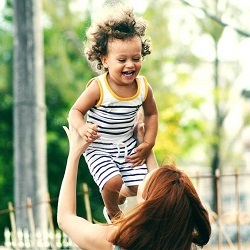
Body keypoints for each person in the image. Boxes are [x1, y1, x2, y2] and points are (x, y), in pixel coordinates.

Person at [57, 123, 211, 250]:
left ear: (147, 204)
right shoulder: (186, 243)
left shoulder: (117, 241)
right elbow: (162, 194)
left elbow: (65, 218)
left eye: (143, 182)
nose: (139, 180)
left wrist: (74, 153)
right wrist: (143, 144)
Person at [68, 6, 158, 221]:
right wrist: (82, 127)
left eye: (136, 58)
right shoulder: (99, 88)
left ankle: (120, 195)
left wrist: (148, 144)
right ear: (105, 60)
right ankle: (114, 214)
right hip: (99, 146)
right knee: (112, 182)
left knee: (142, 187)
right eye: (122, 60)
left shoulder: (143, 87)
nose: (130, 65)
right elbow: (75, 111)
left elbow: (152, 114)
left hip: (127, 144)